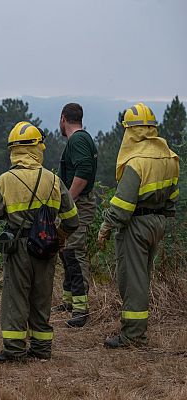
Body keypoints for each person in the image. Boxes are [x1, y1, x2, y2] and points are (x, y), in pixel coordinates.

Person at [0, 122, 78, 363]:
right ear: (38, 148)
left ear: (13, 149)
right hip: (46, 247)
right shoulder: (53, 180)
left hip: (17, 248)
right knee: (42, 296)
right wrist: (58, 238)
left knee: (16, 297)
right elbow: (73, 219)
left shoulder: (5, 180)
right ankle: (41, 349)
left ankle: (14, 350)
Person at [98, 103, 179, 348]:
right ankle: (136, 332)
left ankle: (132, 336)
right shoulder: (169, 156)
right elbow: (172, 197)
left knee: (132, 281)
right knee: (143, 278)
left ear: (131, 132)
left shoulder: (136, 162)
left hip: (136, 225)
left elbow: (122, 205)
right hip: (157, 222)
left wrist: (106, 226)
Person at [57, 103, 98, 327]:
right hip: (78, 203)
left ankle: (81, 311)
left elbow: (82, 173)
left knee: (74, 252)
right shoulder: (82, 139)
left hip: (79, 204)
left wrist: (67, 201)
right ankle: (69, 301)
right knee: (66, 251)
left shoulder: (78, 140)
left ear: (63, 119)